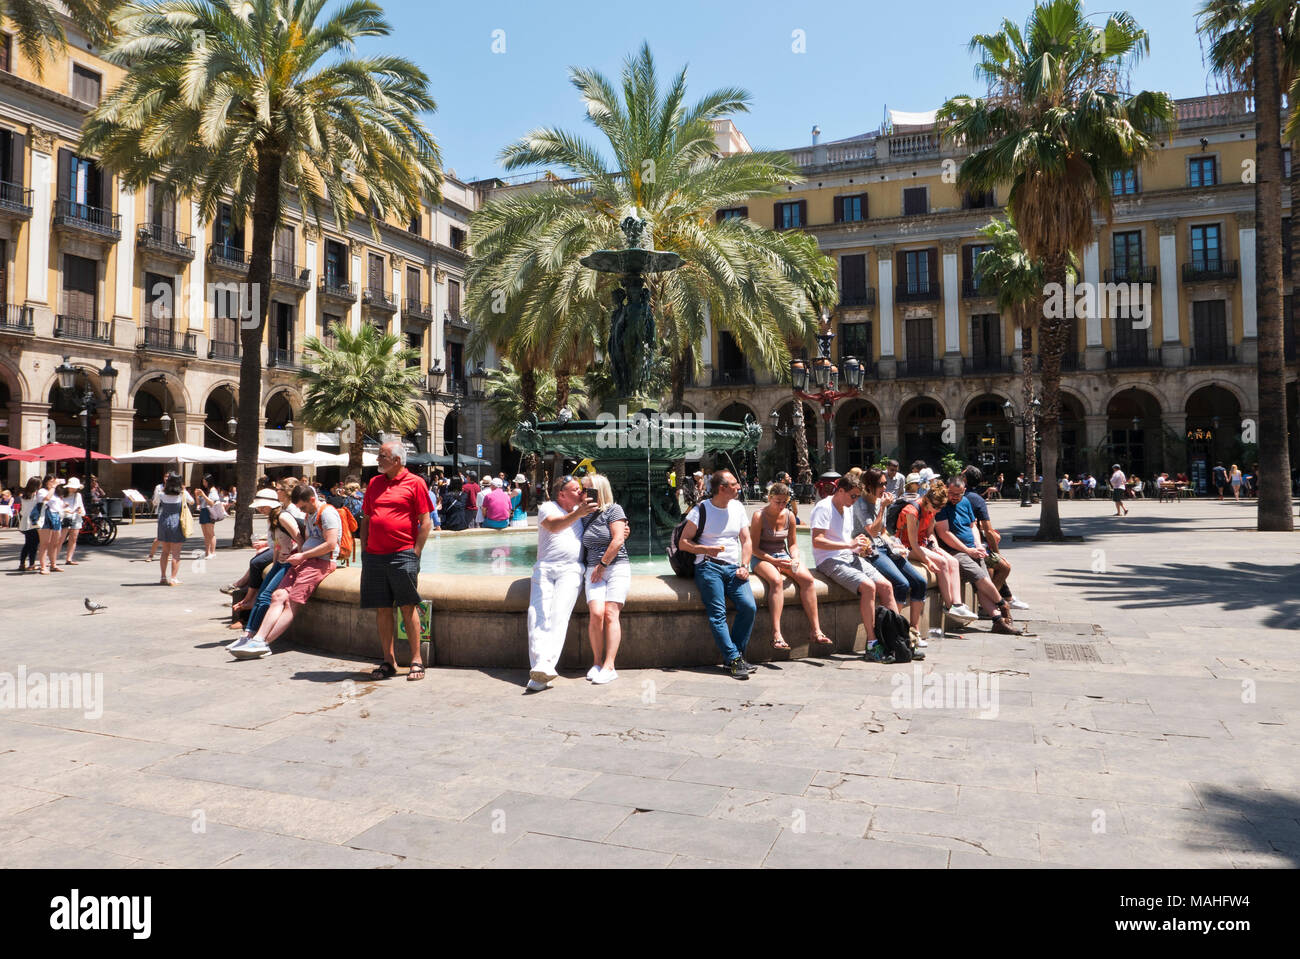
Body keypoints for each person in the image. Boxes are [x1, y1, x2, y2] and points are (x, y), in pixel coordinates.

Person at [231, 485, 340, 659]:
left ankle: (265, 643)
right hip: (303, 560)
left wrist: (303, 554)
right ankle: (258, 638)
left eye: (302, 507)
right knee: (277, 596)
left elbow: (331, 544)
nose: (301, 510)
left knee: (291, 603)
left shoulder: (327, 513)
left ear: (312, 499)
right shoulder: (309, 513)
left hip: (321, 562)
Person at [357, 442, 434, 680]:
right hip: (375, 555)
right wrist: (365, 549)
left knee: (408, 606)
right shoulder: (374, 483)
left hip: (403, 553)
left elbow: (426, 521)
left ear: (397, 460)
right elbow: (367, 519)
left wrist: (416, 552)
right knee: (382, 609)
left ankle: (416, 660)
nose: (378, 460)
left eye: (382, 456)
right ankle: (388, 661)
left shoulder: (416, 483)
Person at [810, 475, 902, 661]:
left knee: (886, 586)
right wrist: (849, 545)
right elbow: (817, 541)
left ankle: (898, 638)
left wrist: (861, 547)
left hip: (849, 555)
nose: (855, 500)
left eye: (858, 496)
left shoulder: (848, 507)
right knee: (869, 587)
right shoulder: (823, 507)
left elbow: (848, 541)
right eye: (853, 496)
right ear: (840, 490)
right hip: (829, 560)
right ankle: (872, 644)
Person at [678, 470, 757, 680]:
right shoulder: (701, 510)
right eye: (734, 484)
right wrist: (704, 550)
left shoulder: (738, 508)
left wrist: (745, 565)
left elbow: (746, 540)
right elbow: (683, 542)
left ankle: (735, 656)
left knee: (749, 606)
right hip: (708, 567)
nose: (738, 487)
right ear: (721, 488)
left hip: (733, 568)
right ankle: (733, 659)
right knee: (718, 613)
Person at [526, 475, 597, 690]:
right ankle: (541, 667)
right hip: (545, 568)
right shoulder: (548, 507)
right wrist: (578, 513)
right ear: (561, 494)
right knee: (537, 614)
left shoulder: (583, 513)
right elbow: (554, 526)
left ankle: (543, 668)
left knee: (558, 615)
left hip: (571, 570)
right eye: (576, 489)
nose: (581, 492)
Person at [934, 474, 1022, 636]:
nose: (953, 498)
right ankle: (1003, 604)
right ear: (946, 489)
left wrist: (977, 545)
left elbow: (973, 525)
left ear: (964, 491)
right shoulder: (942, 505)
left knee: (984, 584)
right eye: (951, 493)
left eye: (958, 494)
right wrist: (968, 551)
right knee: (981, 578)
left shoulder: (966, 502)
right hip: (954, 552)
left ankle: (997, 621)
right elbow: (944, 533)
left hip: (972, 549)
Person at [749, 482, 832, 652]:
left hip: (782, 556)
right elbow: (753, 548)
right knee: (776, 581)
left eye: (784, 502)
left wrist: (795, 557)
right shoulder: (759, 516)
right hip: (762, 557)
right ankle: (776, 634)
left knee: (808, 580)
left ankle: (816, 630)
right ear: (770, 498)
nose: (780, 505)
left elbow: (793, 544)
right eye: (777, 501)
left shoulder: (790, 516)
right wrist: (775, 562)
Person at [853, 468, 930, 647]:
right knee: (901, 584)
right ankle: (892, 631)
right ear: (868, 486)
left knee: (920, 582)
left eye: (885, 483)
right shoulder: (861, 504)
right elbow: (871, 531)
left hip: (885, 547)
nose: (884, 487)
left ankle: (914, 630)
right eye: (880, 484)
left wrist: (895, 545)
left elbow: (883, 531)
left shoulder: (881, 501)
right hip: (870, 550)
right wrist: (882, 508)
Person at [896, 479, 977, 630]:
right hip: (907, 546)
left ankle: (957, 604)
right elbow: (912, 543)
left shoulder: (931, 510)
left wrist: (936, 547)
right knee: (943, 563)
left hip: (923, 543)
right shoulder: (911, 511)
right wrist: (928, 561)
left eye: (941, 507)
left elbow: (930, 533)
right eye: (936, 507)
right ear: (927, 500)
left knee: (953, 561)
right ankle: (949, 605)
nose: (938, 511)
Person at [227, 491, 304, 650]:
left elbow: (299, 539)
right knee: (262, 595)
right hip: (280, 563)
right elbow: (277, 543)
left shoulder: (283, 517)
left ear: (271, 504)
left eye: (262, 505)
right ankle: (248, 634)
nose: (260, 509)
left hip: (288, 563)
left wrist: (299, 560)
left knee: (265, 596)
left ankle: (253, 635)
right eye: (259, 506)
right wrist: (275, 563)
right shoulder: (274, 518)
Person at [580, 473, 630, 684]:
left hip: (616, 566)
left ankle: (610, 665)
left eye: (587, 490)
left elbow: (618, 539)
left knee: (611, 613)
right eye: (582, 490)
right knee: (596, 613)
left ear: (598, 490)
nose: (583, 494)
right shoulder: (581, 514)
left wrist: (603, 564)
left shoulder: (614, 510)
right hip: (593, 569)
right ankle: (597, 662)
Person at [961, 466, 1029, 612]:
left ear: (965, 480)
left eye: (961, 475)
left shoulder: (962, 496)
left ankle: (1005, 598)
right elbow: (989, 530)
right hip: (970, 546)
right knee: (1003, 566)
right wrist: (997, 553)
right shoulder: (976, 499)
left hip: (968, 544)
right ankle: (992, 602)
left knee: (994, 565)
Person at [154, 472, 194, 585]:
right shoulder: (182, 494)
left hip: (163, 521)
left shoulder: (161, 493)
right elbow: (192, 501)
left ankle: (163, 577)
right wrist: (184, 490)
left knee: (165, 551)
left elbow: (155, 502)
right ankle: (173, 578)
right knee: (176, 553)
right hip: (177, 521)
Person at [59, 477, 87, 565]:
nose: (74, 489)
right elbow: (58, 507)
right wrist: (65, 510)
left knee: (73, 539)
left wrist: (81, 511)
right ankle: (53, 559)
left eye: (75, 487)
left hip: (76, 518)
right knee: (61, 539)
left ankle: (69, 558)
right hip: (65, 517)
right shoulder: (62, 495)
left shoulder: (78, 495)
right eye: (72, 487)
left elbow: (81, 507)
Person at [16, 477, 41, 572]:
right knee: (34, 544)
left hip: (25, 522)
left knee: (27, 544)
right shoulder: (36, 496)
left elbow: (22, 511)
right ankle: (32, 564)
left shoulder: (24, 496)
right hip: (33, 522)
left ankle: (22, 563)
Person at [195, 473, 221, 559]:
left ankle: (212, 552)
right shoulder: (206, 490)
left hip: (209, 511)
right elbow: (199, 504)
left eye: (205, 482)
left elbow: (211, 502)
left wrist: (203, 495)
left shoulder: (213, 490)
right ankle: (207, 552)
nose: (204, 484)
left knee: (210, 533)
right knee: (205, 534)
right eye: (203, 482)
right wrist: (197, 496)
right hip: (203, 511)